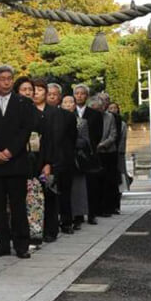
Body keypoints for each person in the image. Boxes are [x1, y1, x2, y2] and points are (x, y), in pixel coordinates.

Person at [0, 66, 33, 259]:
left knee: (18, 205)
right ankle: (1, 244)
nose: (6, 82)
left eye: (9, 78)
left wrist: (10, 151)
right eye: (2, 79)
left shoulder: (23, 103)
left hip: (16, 162)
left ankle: (22, 245)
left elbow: (25, 130)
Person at [13, 77, 45, 246]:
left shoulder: (38, 113)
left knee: (34, 199)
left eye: (30, 89)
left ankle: (35, 234)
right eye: (24, 89)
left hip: (34, 161)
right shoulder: (12, 111)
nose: (27, 92)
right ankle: (17, 235)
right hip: (16, 160)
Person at [46, 83, 78, 235]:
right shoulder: (39, 113)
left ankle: (67, 222)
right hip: (46, 160)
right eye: (49, 93)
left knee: (65, 193)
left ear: (60, 97)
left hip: (64, 159)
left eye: (55, 94)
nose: (52, 96)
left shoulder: (68, 116)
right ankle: (50, 224)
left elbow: (73, 139)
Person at [74, 84, 103, 225]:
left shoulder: (95, 114)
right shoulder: (69, 112)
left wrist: (87, 145)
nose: (79, 96)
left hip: (89, 153)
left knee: (92, 185)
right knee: (77, 185)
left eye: (82, 93)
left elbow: (98, 134)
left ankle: (92, 213)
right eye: (77, 93)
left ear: (87, 96)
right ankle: (78, 214)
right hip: (73, 153)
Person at [62, 95, 90, 230]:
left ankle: (78, 215)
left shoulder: (81, 122)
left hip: (76, 158)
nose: (68, 104)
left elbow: (85, 141)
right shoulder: (56, 119)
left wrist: (72, 142)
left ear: (75, 105)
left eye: (70, 102)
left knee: (77, 189)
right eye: (65, 102)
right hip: (61, 157)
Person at [92, 96, 118, 218]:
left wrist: (102, 144)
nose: (98, 110)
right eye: (95, 108)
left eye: (100, 108)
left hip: (107, 152)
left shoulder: (110, 117)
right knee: (95, 183)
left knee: (107, 181)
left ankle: (107, 208)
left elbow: (113, 135)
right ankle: (95, 208)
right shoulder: (90, 116)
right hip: (94, 153)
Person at [108, 102, 131, 212]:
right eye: (110, 108)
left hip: (118, 153)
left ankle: (117, 204)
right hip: (108, 152)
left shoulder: (122, 124)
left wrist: (120, 151)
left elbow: (123, 139)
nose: (112, 110)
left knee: (120, 177)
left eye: (114, 108)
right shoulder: (106, 121)